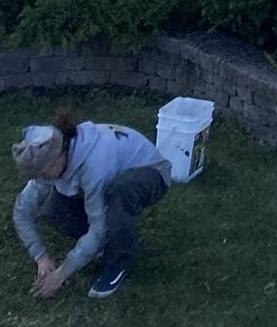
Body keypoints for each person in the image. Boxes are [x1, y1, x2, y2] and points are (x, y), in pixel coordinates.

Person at [11, 108, 171, 301]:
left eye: (43, 174)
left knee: (118, 196)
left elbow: (99, 226)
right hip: (110, 175)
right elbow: (22, 211)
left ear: (59, 158)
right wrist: (41, 257)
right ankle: (99, 246)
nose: (41, 179)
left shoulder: (94, 167)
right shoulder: (51, 157)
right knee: (54, 210)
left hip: (151, 173)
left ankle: (117, 263)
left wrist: (61, 274)